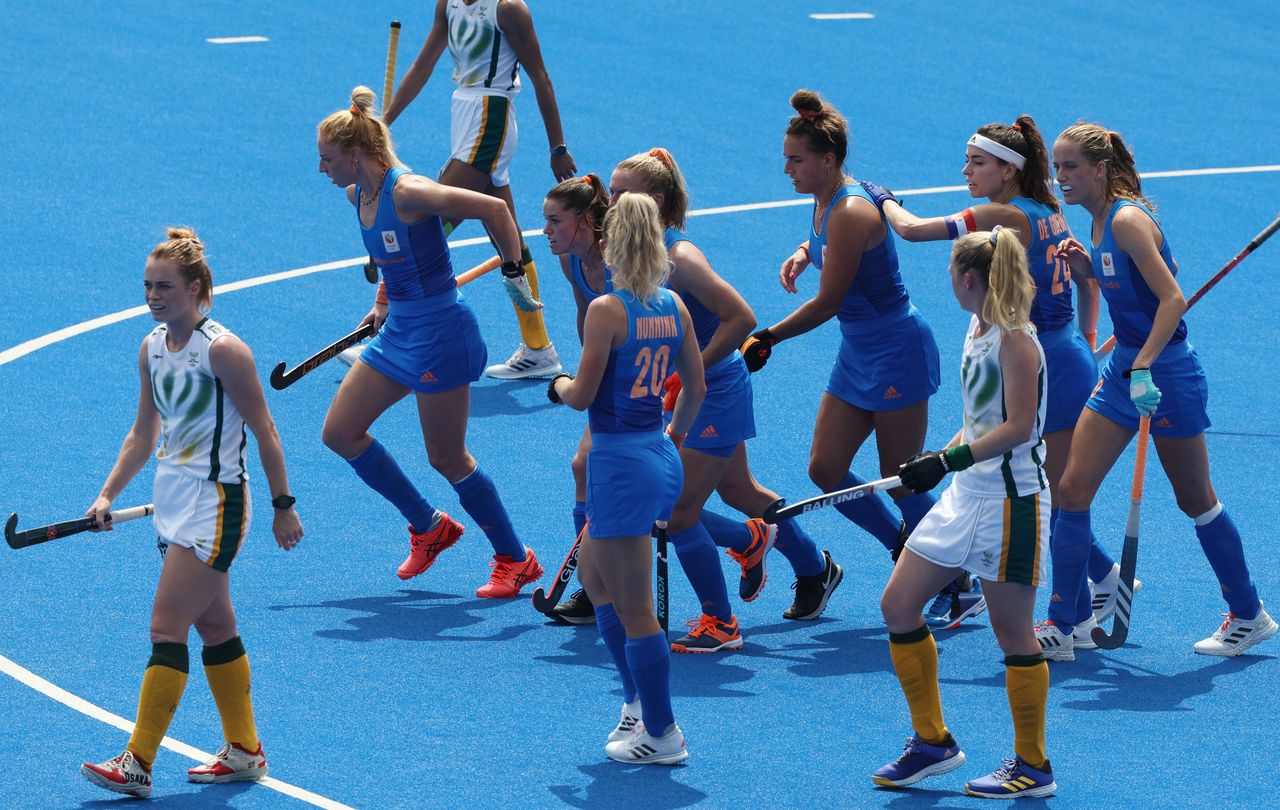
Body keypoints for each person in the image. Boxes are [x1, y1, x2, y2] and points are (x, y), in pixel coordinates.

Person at [80, 228, 304, 799]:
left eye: (166, 286)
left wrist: (283, 506)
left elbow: (266, 430)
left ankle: (137, 761)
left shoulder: (224, 351)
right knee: (215, 624)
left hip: (218, 505)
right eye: (148, 286)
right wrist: (107, 494)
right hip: (171, 502)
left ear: (197, 288)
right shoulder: (151, 347)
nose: (154, 296)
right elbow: (143, 431)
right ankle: (245, 750)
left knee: (165, 627)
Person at [865, 115, 1103, 637]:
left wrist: (880, 198)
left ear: (1008, 169)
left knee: (1059, 501)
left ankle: (1071, 619)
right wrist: (1084, 341)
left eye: (977, 163)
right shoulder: (1049, 210)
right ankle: (1097, 584)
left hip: (1034, 362)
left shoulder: (1005, 214)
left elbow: (913, 230)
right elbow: (1088, 283)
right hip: (1063, 357)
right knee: (1060, 495)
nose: (966, 172)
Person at [1043, 122, 1275, 658]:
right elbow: (1132, 288)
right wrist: (1088, 273)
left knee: (1195, 499)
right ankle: (1065, 621)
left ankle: (1249, 613)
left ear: (1100, 169)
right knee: (1072, 491)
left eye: (1070, 166)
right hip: (1125, 371)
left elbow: (1173, 301)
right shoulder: (1099, 220)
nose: (1061, 178)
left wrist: (1144, 364)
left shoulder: (1125, 220)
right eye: (1057, 167)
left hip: (1165, 374)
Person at [317, 87, 543, 599]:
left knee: (447, 456)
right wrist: (382, 302)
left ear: (354, 155)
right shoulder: (359, 195)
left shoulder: (409, 192)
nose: (322, 169)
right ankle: (428, 525)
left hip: (442, 334)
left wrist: (514, 272)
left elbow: (493, 208)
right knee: (340, 432)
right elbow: (392, 258)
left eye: (328, 159)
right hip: (400, 330)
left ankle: (516, 558)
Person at [873, 226, 1056, 799]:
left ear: (969, 278)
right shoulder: (975, 329)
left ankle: (1032, 766)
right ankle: (933, 743)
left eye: (952, 273)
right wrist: (938, 458)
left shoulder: (1017, 343)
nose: (949, 281)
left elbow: (1019, 427)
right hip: (965, 498)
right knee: (899, 605)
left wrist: (947, 459)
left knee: (1013, 635)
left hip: (1013, 504)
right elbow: (982, 419)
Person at [741, 89, 940, 582]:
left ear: (828, 161)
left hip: (897, 350)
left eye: (796, 160)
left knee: (902, 479)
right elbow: (830, 243)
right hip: (859, 351)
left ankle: (951, 574)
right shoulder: (825, 198)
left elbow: (828, 302)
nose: (787, 169)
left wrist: (767, 337)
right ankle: (905, 548)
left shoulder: (850, 210)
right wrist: (806, 251)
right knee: (826, 470)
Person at [547, 192, 706, 764]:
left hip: (618, 463)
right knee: (594, 578)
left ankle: (662, 733)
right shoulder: (673, 306)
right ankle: (638, 702)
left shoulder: (606, 310)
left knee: (636, 607)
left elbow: (581, 397)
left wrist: (559, 382)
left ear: (613, 242)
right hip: (655, 455)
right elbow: (696, 387)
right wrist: (670, 439)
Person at [385, 0, 575, 380]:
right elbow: (423, 66)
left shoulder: (508, 10)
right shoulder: (449, 4)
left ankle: (401, 339)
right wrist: (383, 122)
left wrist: (558, 147)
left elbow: (541, 77)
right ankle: (539, 349)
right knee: (507, 237)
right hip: (465, 115)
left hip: (492, 119)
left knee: (427, 223)